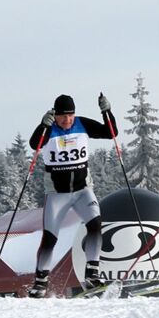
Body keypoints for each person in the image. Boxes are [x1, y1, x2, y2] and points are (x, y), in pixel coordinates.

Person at [26, 93, 117, 298]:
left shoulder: (82, 124)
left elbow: (111, 132)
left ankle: (92, 273)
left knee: (95, 224)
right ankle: (40, 282)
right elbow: (35, 145)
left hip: (83, 190)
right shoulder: (49, 129)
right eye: (63, 116)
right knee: (50, 238)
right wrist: (43, 125)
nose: (67, 120)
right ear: (55, 115)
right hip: (57, 195)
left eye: (71, 115)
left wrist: (107, 112)